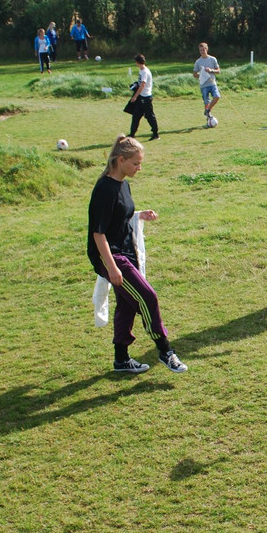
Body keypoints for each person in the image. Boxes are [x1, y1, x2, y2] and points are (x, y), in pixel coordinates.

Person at [88, 135, 187, 373]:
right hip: (110, 255)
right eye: (136, 163)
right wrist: (111, 267)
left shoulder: (123, 183)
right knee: (148, 297)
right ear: (120, 160)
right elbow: (98, 233)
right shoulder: (104, 189)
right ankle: (165, 351)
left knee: (128, 303)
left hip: (125, 250)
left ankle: (121, 359)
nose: (139, 168)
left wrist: (139, 214)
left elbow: (119, 215)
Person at [129, 54, 159, 140]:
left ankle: (155, 134)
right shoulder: (141, 71)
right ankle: (132, 134)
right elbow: (140, 84)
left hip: (145, 97)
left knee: (150, 116)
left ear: (138, 62)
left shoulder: (144, 72)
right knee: (136, 116)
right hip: (141, 97)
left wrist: (135, 96)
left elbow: (142, 85)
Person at [193, 42, 220, 124]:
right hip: (204, 85)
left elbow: (218, 71)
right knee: (206, 102)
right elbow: (194, 74)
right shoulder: (198, 62)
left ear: (206, 49)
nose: (202, 52)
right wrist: (201, 76)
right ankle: (209, 120)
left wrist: (211, 70)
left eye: (203, 50)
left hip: (212, 83)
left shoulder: (213, 59)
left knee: (217, 96)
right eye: (200, 50)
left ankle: (208, 110)